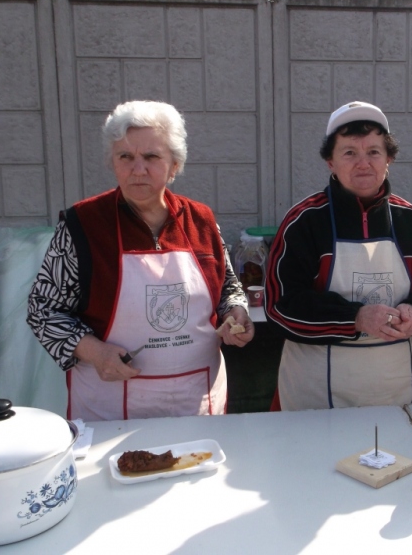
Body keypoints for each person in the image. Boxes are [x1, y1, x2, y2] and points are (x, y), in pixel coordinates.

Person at [27, 100, 255, 421]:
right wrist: (96, 352)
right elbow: (43, 309)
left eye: (151, 157)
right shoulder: (83, 224)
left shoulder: (201, 220)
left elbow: (228, 288)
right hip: (109, 404)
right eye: (126, 157)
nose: (138, 169)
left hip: (197, 399)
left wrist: (236, 313)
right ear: (113, 162)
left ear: (174, 165)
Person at [265, 102, 412, 411]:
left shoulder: (411, 221)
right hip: (316, 398)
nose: (363, 163)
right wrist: (355, 317)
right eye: (349, 152)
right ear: (330, 161)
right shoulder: (304, 221)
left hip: (402, 392)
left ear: (389, 159)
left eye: (374, 152)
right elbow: (280, 308)